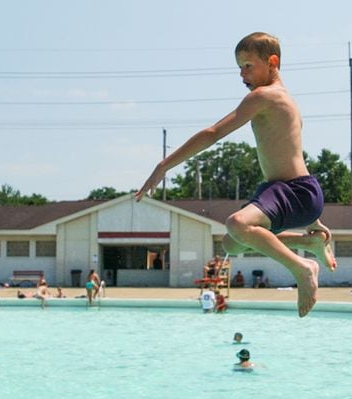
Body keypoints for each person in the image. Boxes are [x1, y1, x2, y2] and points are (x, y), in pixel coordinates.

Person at [135, 32, 336, 317]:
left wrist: (163, 166)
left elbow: (213, 133)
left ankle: (302, 268)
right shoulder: (287, 101)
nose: (242, 74)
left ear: (272, 62)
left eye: (248, 66)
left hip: (293, 191)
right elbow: (292, 158)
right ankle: (308, 242)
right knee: (232, 243)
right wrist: (313, 219)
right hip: (291, 193)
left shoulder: (263, 96)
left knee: (237, 224)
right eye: (239, 68)